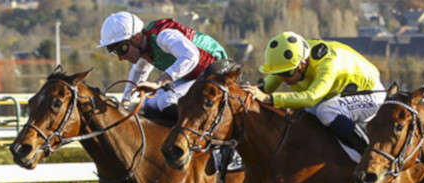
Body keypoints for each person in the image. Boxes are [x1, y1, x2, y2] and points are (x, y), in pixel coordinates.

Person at [242, 31, 386, 153]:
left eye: (287, 74)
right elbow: (270, 82)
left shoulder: (327, 64)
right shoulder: (294, 60)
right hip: (339, 94)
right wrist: (254, 91)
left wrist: (269, 98)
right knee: (302, 116)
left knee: (326, 111)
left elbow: (311, 98)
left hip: (370, 93)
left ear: (302, 64)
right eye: (278, 73)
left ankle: (366, 152)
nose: (282, 79)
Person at [98, 11, 227, 119]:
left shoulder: (163, 36)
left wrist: (158, 82)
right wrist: (124, 103)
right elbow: (138, 72)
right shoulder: (144, 48)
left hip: (216, 72)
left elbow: (191, 56)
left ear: (136, 37)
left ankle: (192, 138)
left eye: (122, 49)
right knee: (149, 102)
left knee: (167, 101)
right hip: (194, 75)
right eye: (115, 52)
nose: (120, 58)